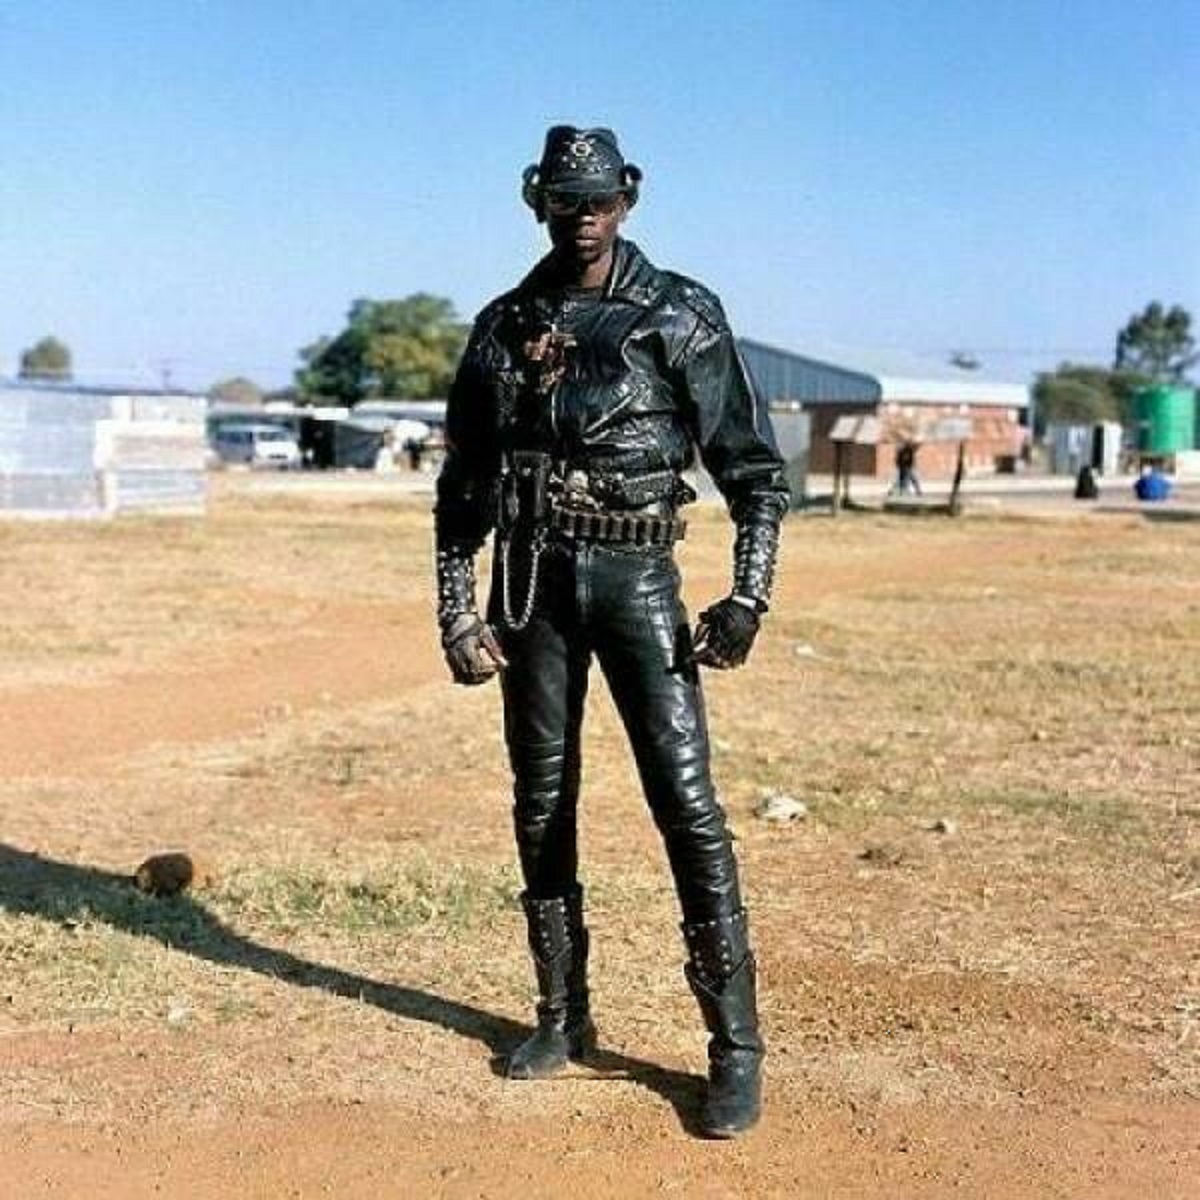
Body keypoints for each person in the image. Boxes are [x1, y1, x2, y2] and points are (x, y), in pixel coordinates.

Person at [434, 126, 788, 1138]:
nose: (581, 212)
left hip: (639, 584)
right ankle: (561, 1016)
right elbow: (461, 488)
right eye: (562, 195)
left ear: (628, 196)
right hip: (531, 585)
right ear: (534, 199)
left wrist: (748, 596)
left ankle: (735, 1051)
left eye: (597, 196)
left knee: (687, 803)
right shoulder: (503, 326)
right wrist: (456, 607)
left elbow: (756, 477)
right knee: (541, 801)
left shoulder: (679, 313)